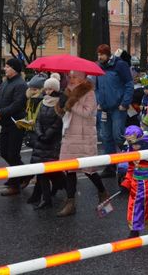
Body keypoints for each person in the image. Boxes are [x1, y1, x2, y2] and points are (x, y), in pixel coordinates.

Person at [55, 70, 109, 217]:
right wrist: (60, 104)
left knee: (89, 170)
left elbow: (87, 112)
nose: (71, 80)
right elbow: (62, 113)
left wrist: (70, 103)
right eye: (69, 77)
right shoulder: (67, 91)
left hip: (84, 136)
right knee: (69, 169)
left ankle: (102, 192)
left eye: (75, 77)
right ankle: (70, 202)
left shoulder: (89, 92)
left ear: (83, 78)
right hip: (70, 134)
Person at [95, 44, 134, 178]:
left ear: (108, 54)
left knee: (118, 135)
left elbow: (129, 84)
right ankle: (110, 166)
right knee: (106, 137)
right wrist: (98, 101)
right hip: (104, 108)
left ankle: (128, 161)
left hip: (118, 107)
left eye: (102, 54)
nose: (100, 57)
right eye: (98, 54)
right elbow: (97, 87)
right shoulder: (98, 67)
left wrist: (124, 103)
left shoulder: (120, 65)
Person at [0, 58, 28, 196]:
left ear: (14, 69)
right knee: (4, 153)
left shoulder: (21, 84)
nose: (5, 69)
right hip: (5, 123)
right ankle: (23, 174)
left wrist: (1, 113)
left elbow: (17, 104)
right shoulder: (6, 82)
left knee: (12, 154)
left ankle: (15, 185)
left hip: (15, 124)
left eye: (7, 67)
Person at [29, 75, 65, 210]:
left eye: (51, 89)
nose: (48, 91)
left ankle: (64, 190)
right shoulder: (43, 102)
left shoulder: (59, 103)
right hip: (41, 141)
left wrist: (48, 135)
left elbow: (58, 122)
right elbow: (37, 119)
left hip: (52, 142)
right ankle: (46, 198)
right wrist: (39, 133)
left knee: (51, 172)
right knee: (42, 171)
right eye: (47, 89)